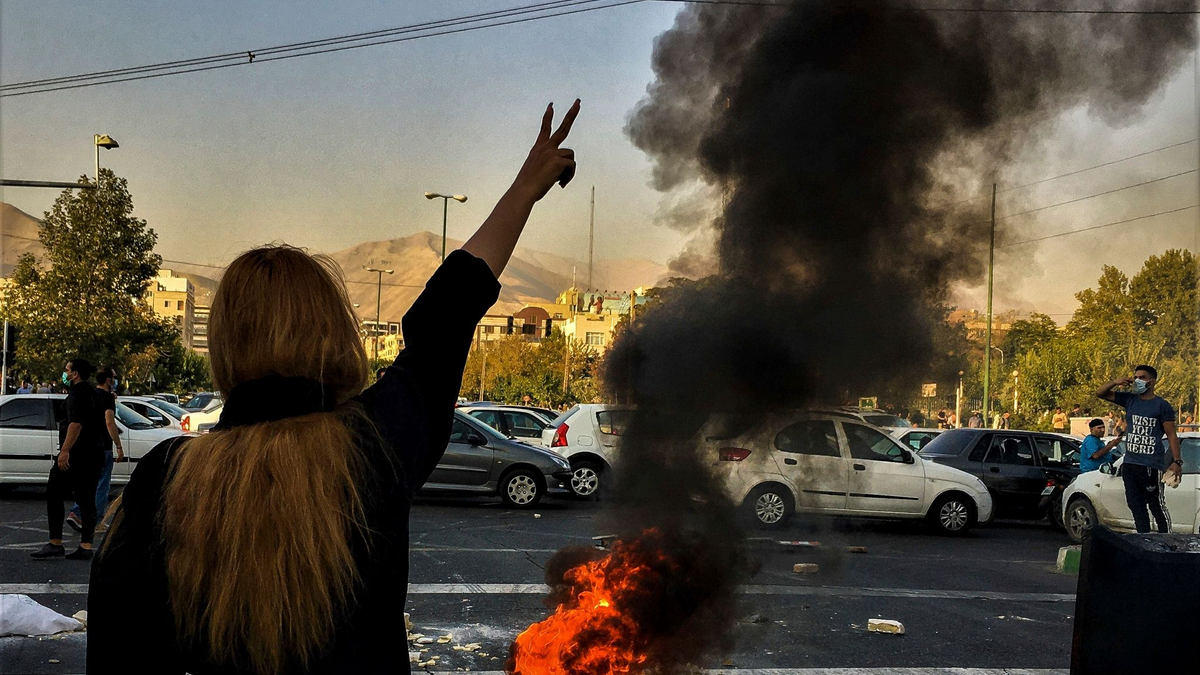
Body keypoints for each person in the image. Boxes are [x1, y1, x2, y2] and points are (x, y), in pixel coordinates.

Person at [88, 100, 580, 674]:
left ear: (225, 343)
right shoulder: (374, 445)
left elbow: (116, 654)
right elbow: (445, 317)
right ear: (332, 331)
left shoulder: (162, 481)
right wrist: (523, 189)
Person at [31, 359, 105, 560]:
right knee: (87, 499)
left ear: (75, 374)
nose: (64, 373)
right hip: (94, 454)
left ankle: (55, 543)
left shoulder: (77, 394)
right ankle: (86, 546)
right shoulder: (93, 393)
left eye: (67, 370)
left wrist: (64, 451)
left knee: (54, 492)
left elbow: (76, 424)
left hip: (77, 455)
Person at [1096, 365, 1183, 534]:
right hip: (1130, 463)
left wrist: (1176, 461)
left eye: (1142, 377)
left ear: (1152, 381)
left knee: (1156, 504)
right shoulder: (1130, 399)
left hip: (1151, 464)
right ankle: (1143, 538)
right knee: (1135, 505)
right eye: (1135, 377)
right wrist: (1116, 381)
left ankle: (1166, 540)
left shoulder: (1161, 405)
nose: (1137, 380)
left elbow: (1172, 435)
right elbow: (1100, 393)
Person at [66, 368, 124, 533]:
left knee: (89, 483)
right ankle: (95, 520)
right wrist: (118, 445)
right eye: (114, 377)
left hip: (87, 444)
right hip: (103, 446)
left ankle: (77, 512)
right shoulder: (107, 398)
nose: (115, 380)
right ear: (108, 380)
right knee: (102, 485)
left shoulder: (91, 394)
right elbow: (109, 422)